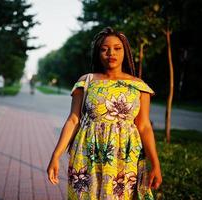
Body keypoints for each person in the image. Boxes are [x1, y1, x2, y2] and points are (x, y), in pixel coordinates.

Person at [47, 27, 162, 199]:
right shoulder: (86, 82)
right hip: (88, 155)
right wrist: (55, 155)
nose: (111, 53)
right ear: (98, 53)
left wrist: (155, 164)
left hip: (125, 157)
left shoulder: (139, 86)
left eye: (117, 48)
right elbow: (73, 120)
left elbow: (144, 126)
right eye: (104, 49)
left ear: (125, 51)